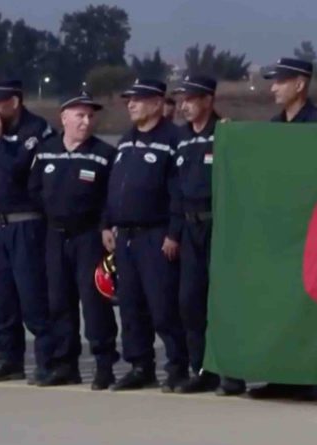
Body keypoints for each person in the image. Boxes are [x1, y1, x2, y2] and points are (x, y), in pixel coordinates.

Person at [247, 58, 317, 401]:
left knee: (306, 307)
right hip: (279, 232)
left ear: (300, 84)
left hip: (311, 229)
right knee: (278, 305)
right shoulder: (273, 125)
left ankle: (307, 377)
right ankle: (280, 374)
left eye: (280, 81)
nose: (273, 87)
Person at [28, 92, 119, 389]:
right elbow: (35, 189)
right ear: (64, 117)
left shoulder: (104, 154)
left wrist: (105, 225)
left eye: (91, 116)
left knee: (94, 301)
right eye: (79, 115)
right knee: (59, 302)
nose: (86, 121)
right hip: (55, 236)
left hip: (88, 237)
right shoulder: (46, 151)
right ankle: (65, 364)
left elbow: (111, 197)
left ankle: (104, 363)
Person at [103, 79, 189, 393]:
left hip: (156, 235)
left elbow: (179, 191)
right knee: (130, 306)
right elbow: (113, 186)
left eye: (138, 99)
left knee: (163, 305)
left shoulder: (173, 139)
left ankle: (178, 366)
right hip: (124, 236)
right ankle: (140, 366)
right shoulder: (126, 140)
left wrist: (174, 232)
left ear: (156, 103)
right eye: (129, 99)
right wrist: (106, 224)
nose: (131, 104)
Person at [170, 74, 247, 395]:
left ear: (208, 100)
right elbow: (175, 190)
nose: (184, 105)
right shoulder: (182, 138)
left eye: (190, 99)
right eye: (182, 99)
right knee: (190, 301)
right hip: (189, 228)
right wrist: (174, 233)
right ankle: (202, 368)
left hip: (219, 226)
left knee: (223, 302)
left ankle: (231, 371)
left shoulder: (225, 132)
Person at [0, 80, 57, 384]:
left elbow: (16, 169)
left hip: (27, 223)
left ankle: (48, 360)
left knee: (32, 296)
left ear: (14, 101)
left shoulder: (35, 131)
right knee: (2, 297)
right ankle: (9, 359)